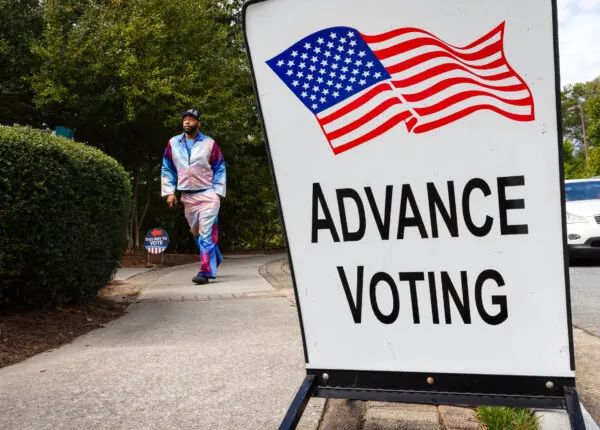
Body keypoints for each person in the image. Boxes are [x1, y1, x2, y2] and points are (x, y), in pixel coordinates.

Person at [161, 108, 226, 285]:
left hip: (207, 194)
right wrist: (169, 193)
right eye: (184, 119)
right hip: (187, 197)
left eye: (191, 119)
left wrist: (218, 192)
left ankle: (205, 272)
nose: (187, 122)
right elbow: (167, 168)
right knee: (196, 234)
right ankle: (215, 258)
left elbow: (219, 167)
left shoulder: (209, 143)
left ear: (198, 122)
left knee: (205, 233)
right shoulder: (173, 143)